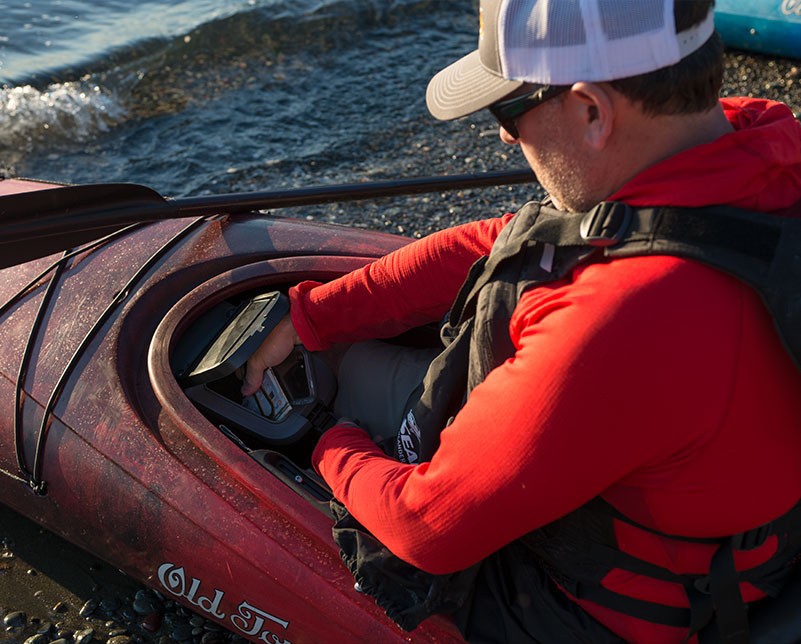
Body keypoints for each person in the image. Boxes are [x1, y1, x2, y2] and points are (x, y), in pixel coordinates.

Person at [243, 0, 801, 642]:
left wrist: (320, 439)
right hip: (729, 524)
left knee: (349, 378)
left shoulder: (625, 318)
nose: (506, 136)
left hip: (609, 605)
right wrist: (312, 313)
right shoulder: (753, 154)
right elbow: (505, 240)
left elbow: (426, 527)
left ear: (593, 111)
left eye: (509, 108)